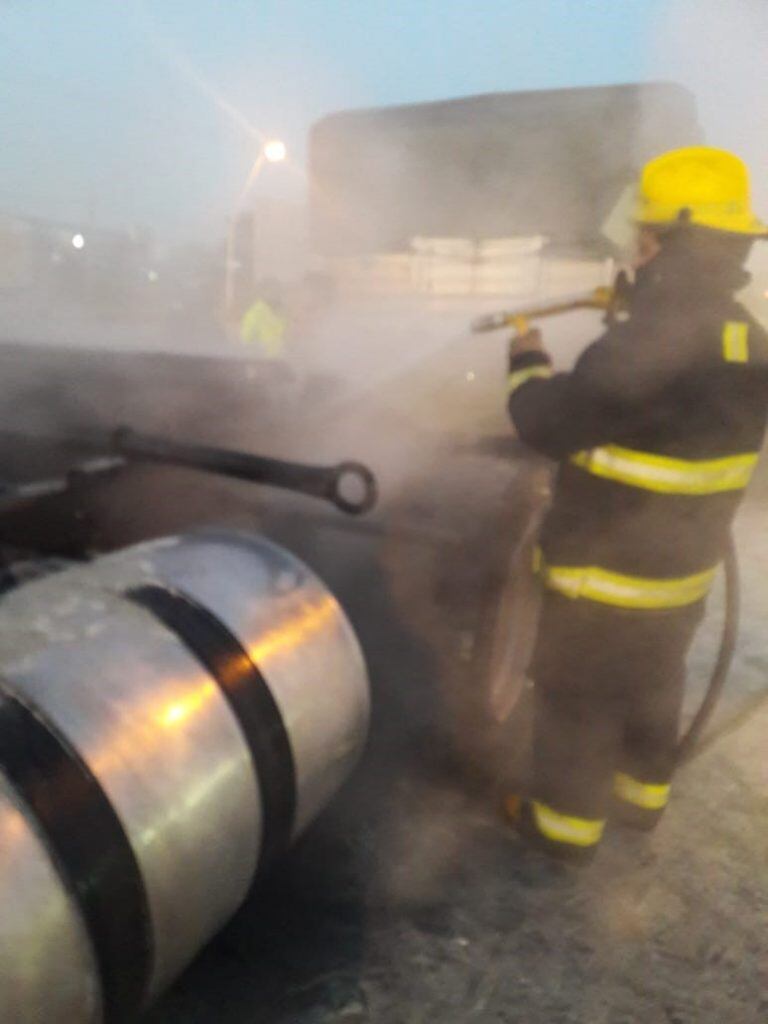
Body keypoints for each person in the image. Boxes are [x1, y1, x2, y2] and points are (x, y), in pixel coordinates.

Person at [504, 146, 768, 863]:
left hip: (602, 585)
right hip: (681, 580)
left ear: (676, 244)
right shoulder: (746, 338)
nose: (637, 250)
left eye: (646, 238)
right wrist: (642, 308)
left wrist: (526, 357)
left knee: (576, 702)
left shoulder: (645, 347)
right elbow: (679, 405)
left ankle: (558, 832)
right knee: (654, 687)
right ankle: (640, 806)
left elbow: (545, 422)